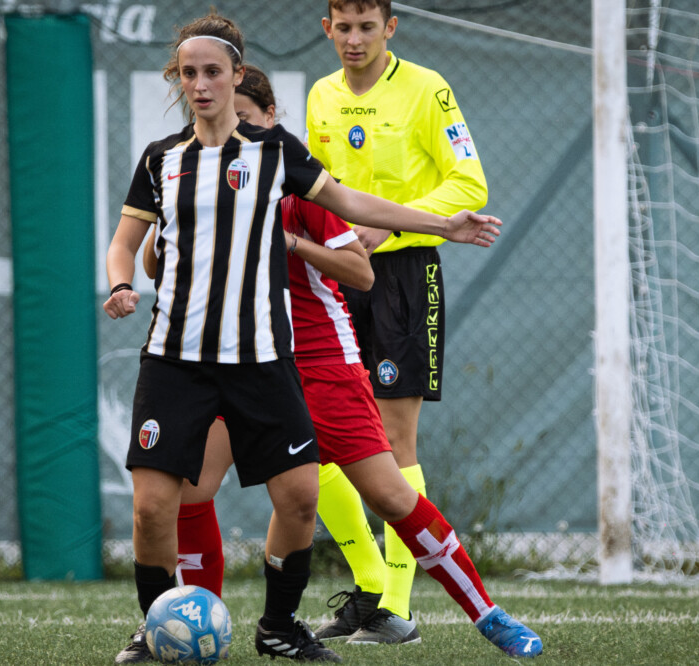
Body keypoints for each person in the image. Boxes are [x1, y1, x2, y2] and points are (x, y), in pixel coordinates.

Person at [103, 14, 502, 665]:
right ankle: (163, 626)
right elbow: (138, 249)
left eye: (214, 72)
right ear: (177, 79)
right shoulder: (166, 159)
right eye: (189, 72)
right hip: (189, 356)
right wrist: (125, 279)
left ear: (237, 80)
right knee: (167, 501)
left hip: (295, 336)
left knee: (331, 481)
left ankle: (333, 614)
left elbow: (347, 203)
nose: (202, 85)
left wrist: (440, 225)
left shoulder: (284, 150)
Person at [303, 0, 492, 645]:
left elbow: (470, 186)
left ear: (390, 29)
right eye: (343, 28)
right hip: (332, 280)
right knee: (320, 435)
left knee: (391, 437)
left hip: (404, 279)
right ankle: (370, 585)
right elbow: (318, 189)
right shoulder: (321, 95)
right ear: (327, 30)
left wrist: (388, 226)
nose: (354, 40)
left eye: (367, 28)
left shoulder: (427, 89)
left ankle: (398, 610)